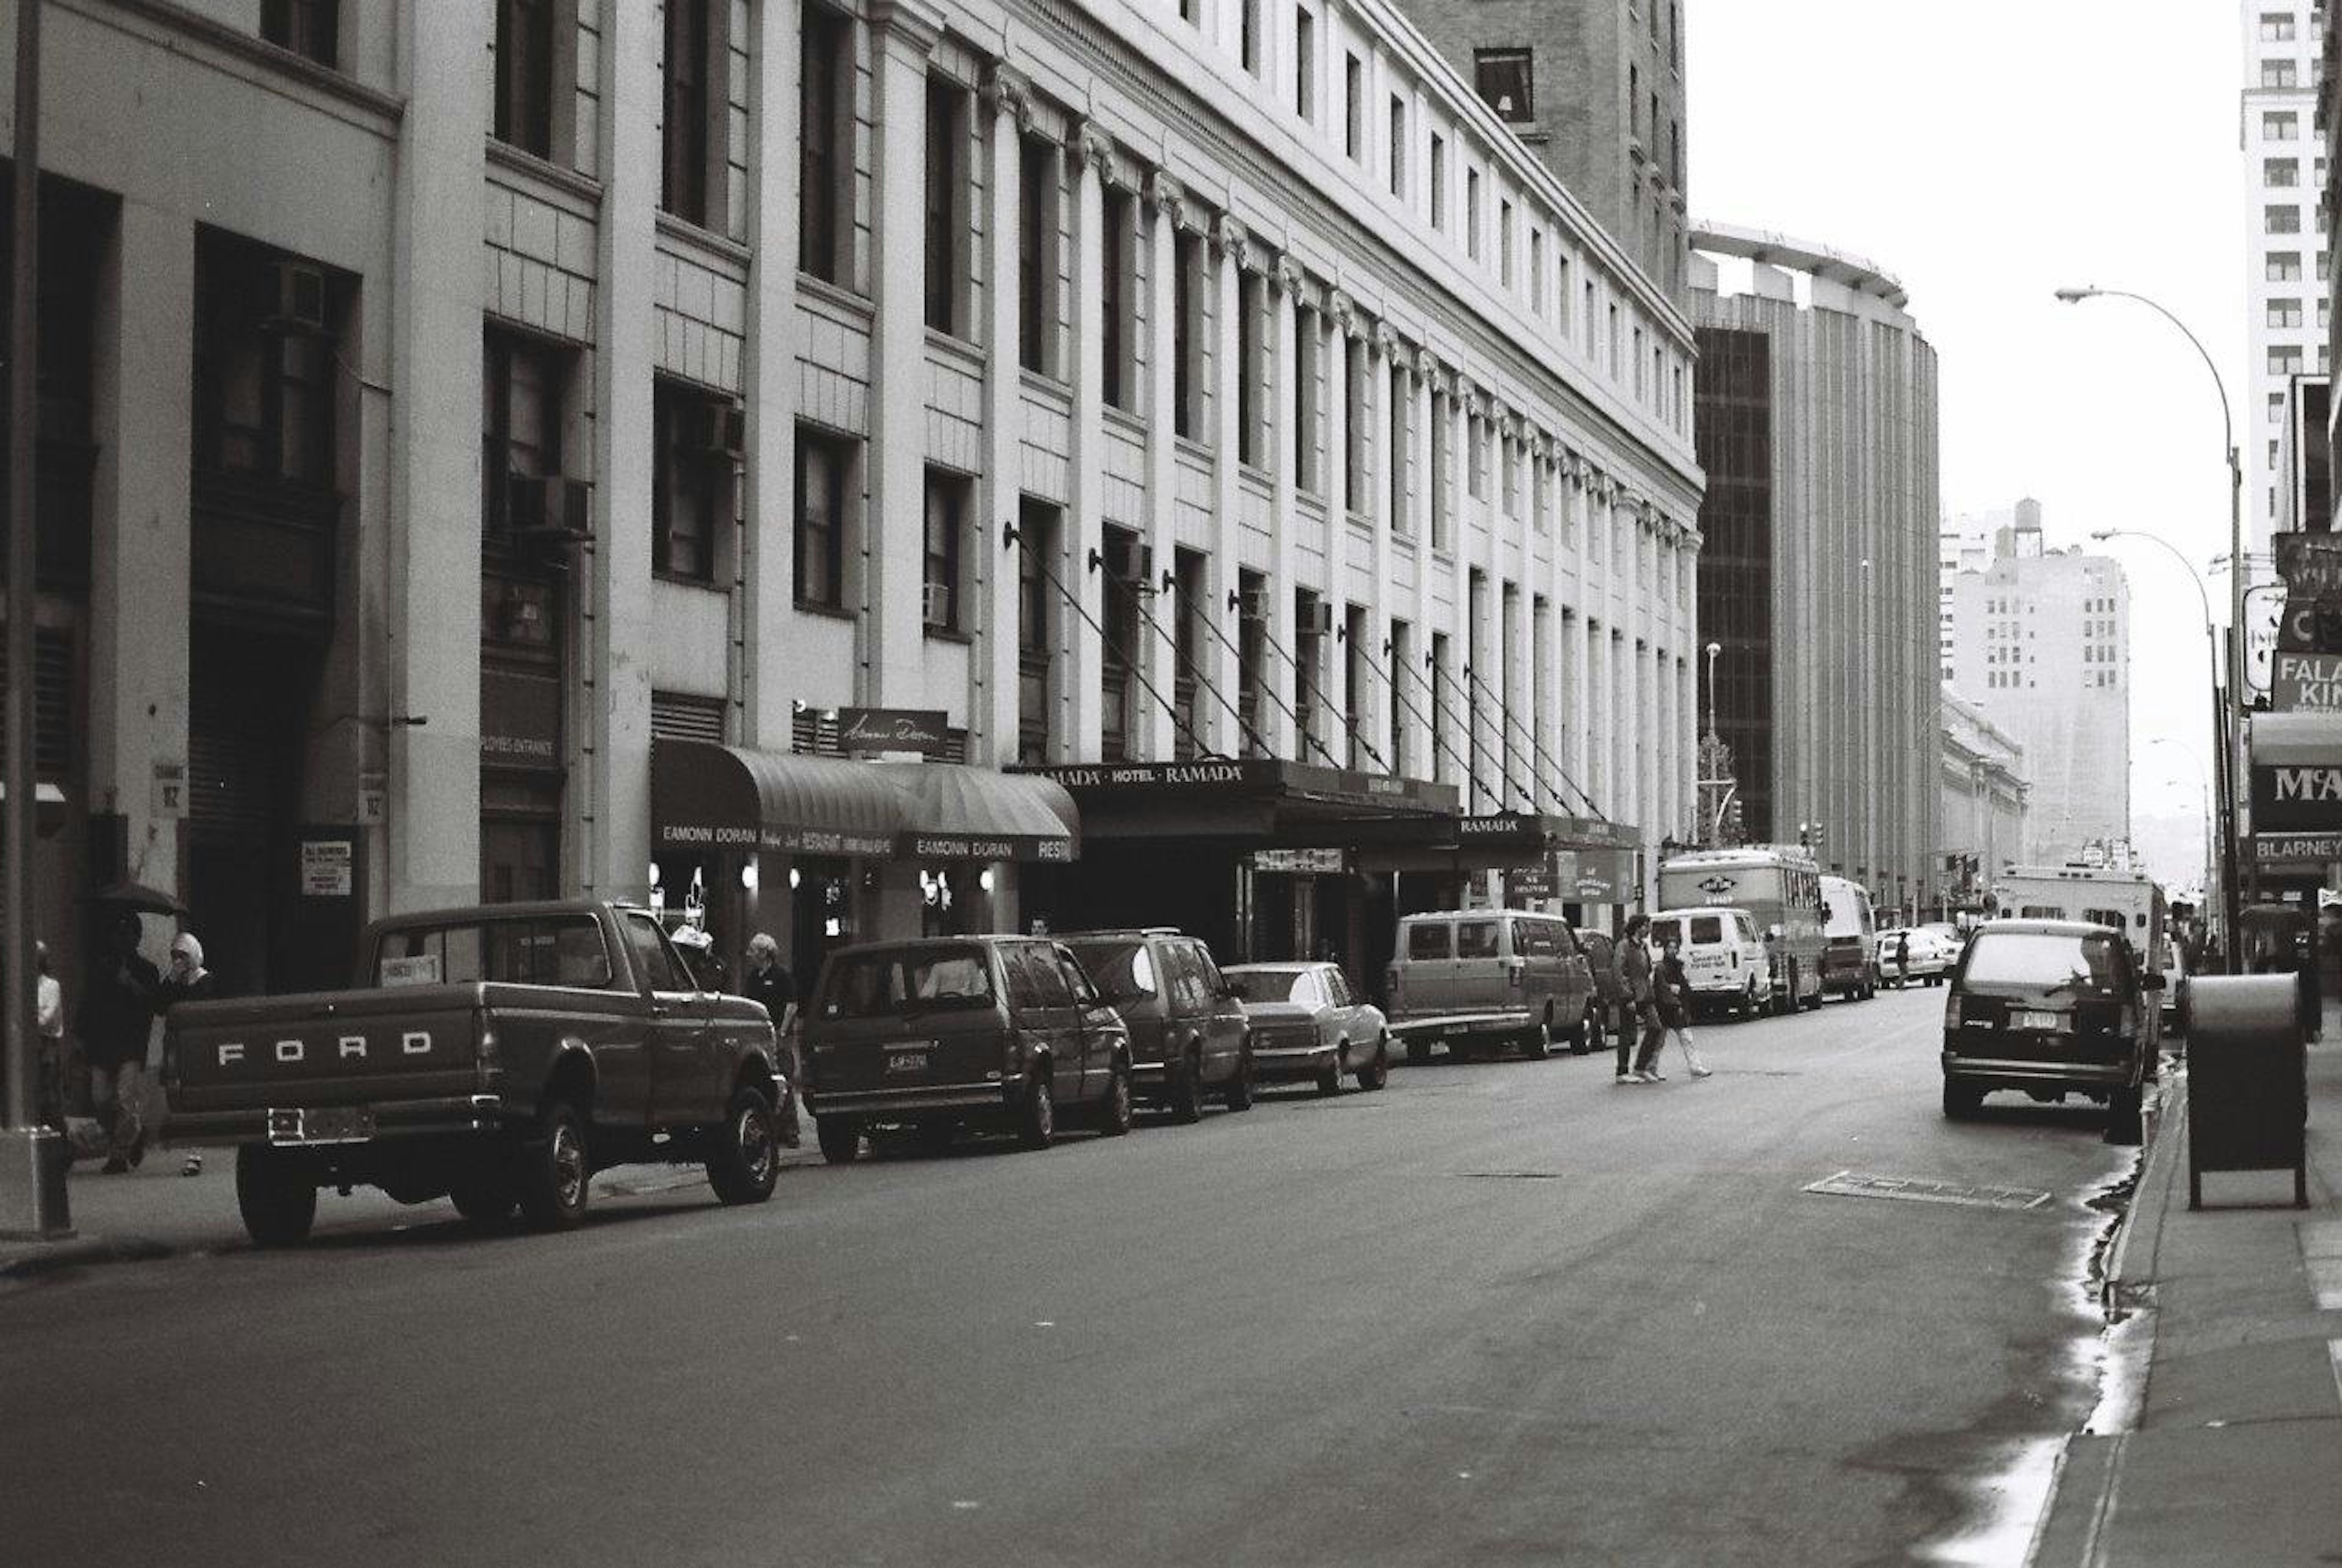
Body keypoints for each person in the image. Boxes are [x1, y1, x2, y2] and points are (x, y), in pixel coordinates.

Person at [80, 911, 159, 1173]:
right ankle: (135, 1133)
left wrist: (131, 984)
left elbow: (153, 1004)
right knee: (100, 1098)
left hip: (130, 1044)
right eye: (119, 934)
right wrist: (81, 1037)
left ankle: (118, 1154)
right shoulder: (101, 968)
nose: (123, 939)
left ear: (137, 938)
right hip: (102, 1044)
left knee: (125, 1098)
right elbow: (88, 1004)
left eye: (129, 934)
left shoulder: (147, 970)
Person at [743, 933, 801, 1150]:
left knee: (784, 1079)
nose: (750, 955)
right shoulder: (754, 978)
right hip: (760, 1035)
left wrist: (783, 1031)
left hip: (780, 1033)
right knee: (767, 1081)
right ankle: (774, 1129)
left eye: (753, 951)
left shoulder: (781, 976)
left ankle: (791, 1130)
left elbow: (792, 1005)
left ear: (764, 953)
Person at [1611, 915, 1666, 1084]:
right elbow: (1619, 972)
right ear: (1638, 927)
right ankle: (1622, 1071)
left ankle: (1641, 1067)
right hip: (1630, 995)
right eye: (1646, 926)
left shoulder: (1643, 946)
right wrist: (1627, 996)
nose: (1649, 930)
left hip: (1645, 994)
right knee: (1627, 1033)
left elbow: (1647, 969)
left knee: (1655, 1027)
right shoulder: (1624, 946)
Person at [1655, 934, 1712, 1079]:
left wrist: (1683, 1001)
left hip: (1676, 1008)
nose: (1673, 951)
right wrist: (1675, 997)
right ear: (1665, 950)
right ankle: (1652, 1068)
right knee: (1659, 1041)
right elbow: (1661, 988)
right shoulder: (1661, 968)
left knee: (1687, 1038)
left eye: (1675, 948)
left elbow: (1685, 988)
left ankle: (1696, 1066)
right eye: (1670, 948)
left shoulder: (1679, 967)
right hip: (1666, 1008)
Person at [158, 931, 221, 1011]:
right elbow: (160, 1008)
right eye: (174, 957)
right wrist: (171, 979)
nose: (177, 961)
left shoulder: (206, 980)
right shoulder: (176, 981)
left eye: (182, 956)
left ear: (192, 955)